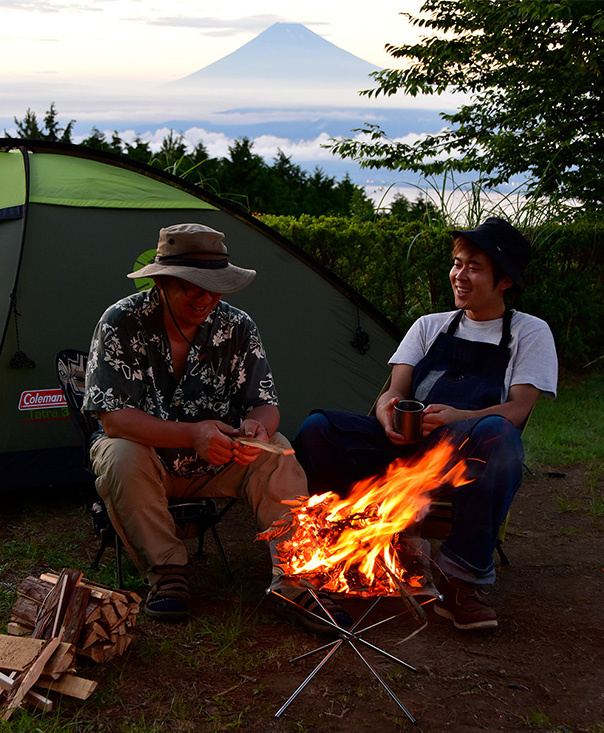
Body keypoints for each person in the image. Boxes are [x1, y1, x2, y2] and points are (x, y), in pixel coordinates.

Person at [83, 222, 352, 629]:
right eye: (192, 287)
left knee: (276, 452)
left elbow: (264, 404)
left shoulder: (237, 326)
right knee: (120, 454)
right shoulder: (122, 322)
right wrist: (192, 434)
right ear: (162, 283)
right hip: (145, 461)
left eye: (216, 286)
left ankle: (298, 582)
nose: (206, 298)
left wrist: (254, 430)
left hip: (218, 460)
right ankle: (166, 572)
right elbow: (115, 419)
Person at [294, 217, 558, 631]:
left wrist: (460, 417)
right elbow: (393, 391)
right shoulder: (430, 326)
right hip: (403, 446)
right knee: (317, 427)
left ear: (504, 280)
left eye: (474, 267)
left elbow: (519, 408)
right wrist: (385, 412)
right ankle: (353, 544)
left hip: (462, 458)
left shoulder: (529, 333)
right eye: (456, 263)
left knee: (500, 435)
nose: (459, 275)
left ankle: (459, 581)